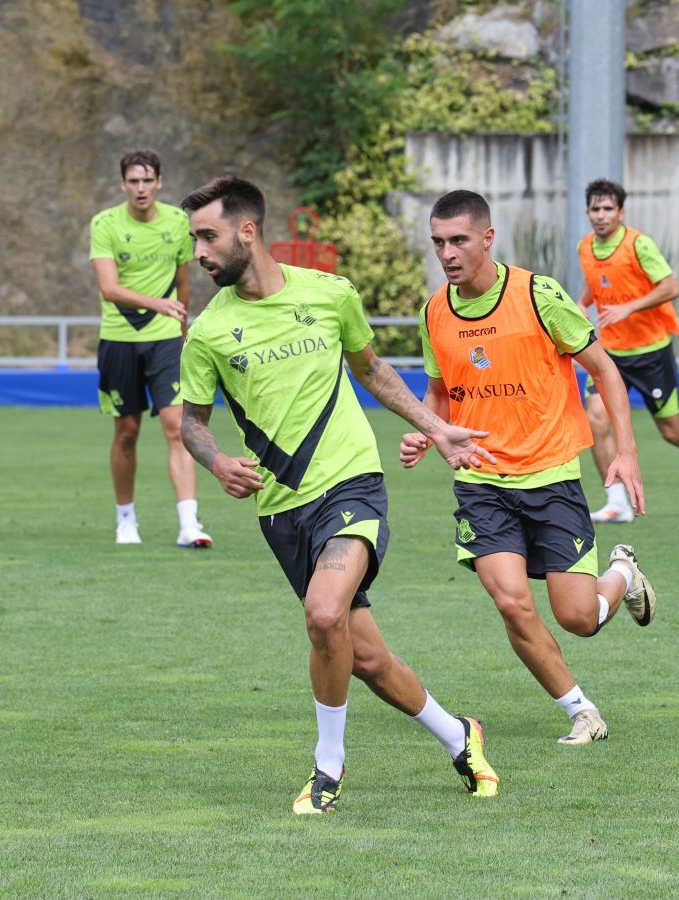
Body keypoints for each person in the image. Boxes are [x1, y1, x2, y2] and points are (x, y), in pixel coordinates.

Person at [178, 176, 500, 815]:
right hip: (281, 508)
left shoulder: (330, 295)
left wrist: (435, 427)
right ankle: (458, 736)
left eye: (208, 236)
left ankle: (327, 770)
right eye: (194, 240)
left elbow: (373, 370)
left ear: (247, 231)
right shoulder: (210, 332)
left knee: (325, 614)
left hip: (352, 482)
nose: (199, 253)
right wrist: (215, 462)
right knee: (367, 657)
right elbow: (191, 423)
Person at [399, 189, 658, 747]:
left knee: (578, 618)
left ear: (487, 239)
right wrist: (428, 431)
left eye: (459, 240)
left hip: (552, 478)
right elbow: (439, 393)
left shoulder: (538, 295)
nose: (447, 252)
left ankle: (624, 576)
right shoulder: (433, 311)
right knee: (514, 604)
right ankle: (582, 711)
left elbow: (605, 370)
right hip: (481, 484)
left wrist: (627, 450)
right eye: (438, 242)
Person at [574, 179, 679, 522]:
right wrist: (581, 302)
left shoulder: (638, 245)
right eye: (595, 209)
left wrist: (629, 308)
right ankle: (616, 501)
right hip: (610, 353)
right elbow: (596, 278)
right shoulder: (585, 247)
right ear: (587, 212)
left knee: (672, 431)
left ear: (621, 212)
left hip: (650, 352)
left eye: (607, 209)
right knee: (596, 420)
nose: (600, 215)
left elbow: (670, 286)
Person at [89, 149, 211, 547]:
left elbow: (183, 281)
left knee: (178, 428)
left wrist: (183, 327)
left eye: (147, 180)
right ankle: (126, 520)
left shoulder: (178, 223)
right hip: (120, 340)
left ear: (159, 183)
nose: (141, 188)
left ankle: (189, 524)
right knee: (126, 432)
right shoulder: (105, 224)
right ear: (123, 185)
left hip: (164, 341)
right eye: (133, 181)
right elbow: (109, 288)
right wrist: (158, 303)